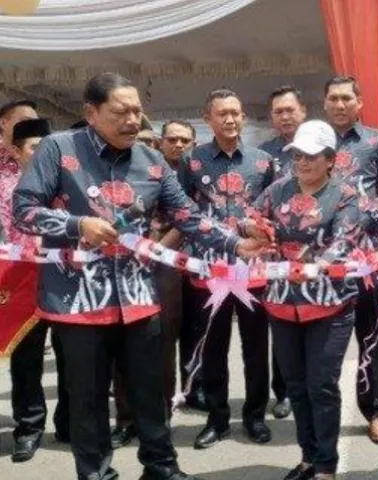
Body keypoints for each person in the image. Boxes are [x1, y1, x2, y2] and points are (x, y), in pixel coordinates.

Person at [12, 72, 261, 480]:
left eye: (137, 111)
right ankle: (96, 474)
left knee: (150, 391)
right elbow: (24, 211)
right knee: (88, 399)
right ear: (91, 112)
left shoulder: (151, 161)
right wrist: (78, 225)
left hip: (138, 298)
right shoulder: (59, 149)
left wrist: (236, 245)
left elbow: (188, 217)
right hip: (79, 302)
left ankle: (161, 468)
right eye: (120, 112)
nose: (132, 120)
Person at [243, 119, 362, 480]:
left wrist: (316, 265)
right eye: (297, 155)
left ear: (331, 159)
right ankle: (308, 457)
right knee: (296, 386)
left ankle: (326, 465)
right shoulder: (278, 189)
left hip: (329, 305)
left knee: (321, 386)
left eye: (311, 156)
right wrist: (254, 228)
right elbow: (247, 217)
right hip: (282, 303)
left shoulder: (346, 195)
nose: (302, 162)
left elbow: (344, 242)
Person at [178, 89, 274, 449]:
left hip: (253, 270)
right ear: (208, 119)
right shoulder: (191, 161)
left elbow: (272, 212)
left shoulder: (264, 162)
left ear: (243, 117)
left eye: (235, 112)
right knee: (213, 348)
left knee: (256, 348)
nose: (230, 119)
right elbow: (182, 212)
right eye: (222, 114)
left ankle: (255, 416)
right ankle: (217, 419)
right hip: (211, 272)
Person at [111, 120, 198, 449]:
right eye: (171, 139)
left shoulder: (189, 176)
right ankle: (125, 419)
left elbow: (186, 220)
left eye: (184, 140)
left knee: (162, 343)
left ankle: (160, 415)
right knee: (122, 341)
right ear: (160, 142)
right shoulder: (129, 169)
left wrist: (157, 250)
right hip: (122, 264)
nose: (177, 145)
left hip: (164, 264)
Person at [323, 75, 378, 443]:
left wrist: (351, 225)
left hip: (366, 257)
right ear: (324, 104)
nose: (340, 105)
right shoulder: (314, 141)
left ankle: (376, 410)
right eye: (333, 98)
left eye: (346, 98)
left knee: (371, 335)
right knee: (323, 339)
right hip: (323, 259)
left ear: (359, 103)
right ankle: (323, 413)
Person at [4, 114, 69, 463]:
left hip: (66, 277)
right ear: (16, 151)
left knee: (71, 353)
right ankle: (28, 428)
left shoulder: (65, 182)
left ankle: (69, 422)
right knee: (26, 359)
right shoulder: (4, 185)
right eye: (33, 148)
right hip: (21, 281)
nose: (42, 153)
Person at [258, 85, 309, 419]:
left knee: (318, 326)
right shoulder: (263, 155)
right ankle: (285, 391)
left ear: (303, 111)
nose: (285, 116)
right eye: (278, 111)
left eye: (290, 109)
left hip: (319, 254)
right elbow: (258, 205)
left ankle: (315, 387)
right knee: (282, 325)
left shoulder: (321, 147)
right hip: (278, 257)